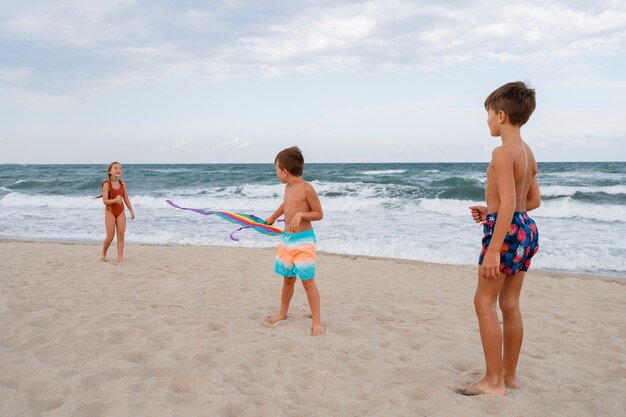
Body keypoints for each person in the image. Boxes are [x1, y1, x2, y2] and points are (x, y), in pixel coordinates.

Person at [461, 81, 541, 396]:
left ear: (502, 115)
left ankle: (493, 382)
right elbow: (531, 202)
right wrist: (490, 211)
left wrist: (494, 247)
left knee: (483, 302)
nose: (488, 120)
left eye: (489, 114)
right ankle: (509, 375)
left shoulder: (502, 151)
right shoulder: (528, 153)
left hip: (506, 232)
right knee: (510, 303)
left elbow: (508, 204)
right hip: (527, 229)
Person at [265, 147, 325, 336]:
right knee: (288, 280)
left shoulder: (307, 188)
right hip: (287, 241)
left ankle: (316, 322)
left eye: (276, 170)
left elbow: (319, 214)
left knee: (308, 282)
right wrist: (273, 217)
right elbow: (286, 205)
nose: (276, 174)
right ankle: (282, 313)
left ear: (285, 171)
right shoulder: (287, 187)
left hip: (303, 242)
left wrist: (301, 215)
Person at [98, 162, 135, 263]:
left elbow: (126, 198)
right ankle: (103, 253)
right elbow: (105, 201)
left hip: (120, 211)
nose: (119, 170)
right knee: (110, 236)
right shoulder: (106, 184)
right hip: (110, 211)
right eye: (116, 168)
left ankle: (120, 258)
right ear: (110, 172)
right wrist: (115, 200)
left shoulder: (123, 184)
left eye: (120, 168)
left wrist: (131, 210)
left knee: (121, 235)